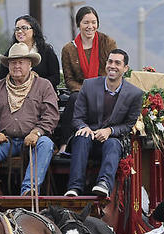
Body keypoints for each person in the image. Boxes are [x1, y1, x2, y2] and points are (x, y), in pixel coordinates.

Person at [0, 42, 59, 196]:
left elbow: (50, 115)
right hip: (5, 140)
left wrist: (37, 132)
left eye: (20, 62)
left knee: (46, 144)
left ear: (30, 64)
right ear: (8, 65)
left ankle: (29, 190)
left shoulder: (44, 86)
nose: (16, 66)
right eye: (13, 62)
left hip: (34, 140)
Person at [64, 49, 143, 198]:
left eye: (117, 63)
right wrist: (84, 127)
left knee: (113, 144)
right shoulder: (89, 85)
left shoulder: (135, 94)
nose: (112, 66)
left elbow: (129, 124)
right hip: (88, 137)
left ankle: (104, 184)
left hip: (111, 140)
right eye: (110, 62)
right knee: (81, 138)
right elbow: (77, 117)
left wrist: (110, 131)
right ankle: (74, 187)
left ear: (125, 68)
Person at [59, 6, 117, 154]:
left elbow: (114, 70)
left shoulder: (107, 43)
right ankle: (64, 144)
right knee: (74, 98)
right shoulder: (68, 49)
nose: (90, 26)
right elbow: (69, 80)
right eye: (86, 22)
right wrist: (86, 91)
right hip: (81, 92)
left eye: (93, 22)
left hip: (105, 90)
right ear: (78, 24)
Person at [0, 15, 60, 90]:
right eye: (17, 29)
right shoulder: (11, 52)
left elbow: (55, 78)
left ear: (34, 31)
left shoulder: (46, 51)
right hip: (16, 95)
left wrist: (36, 87)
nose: (20, 31)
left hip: (42, 94)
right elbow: (2, 79)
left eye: (24, 28)